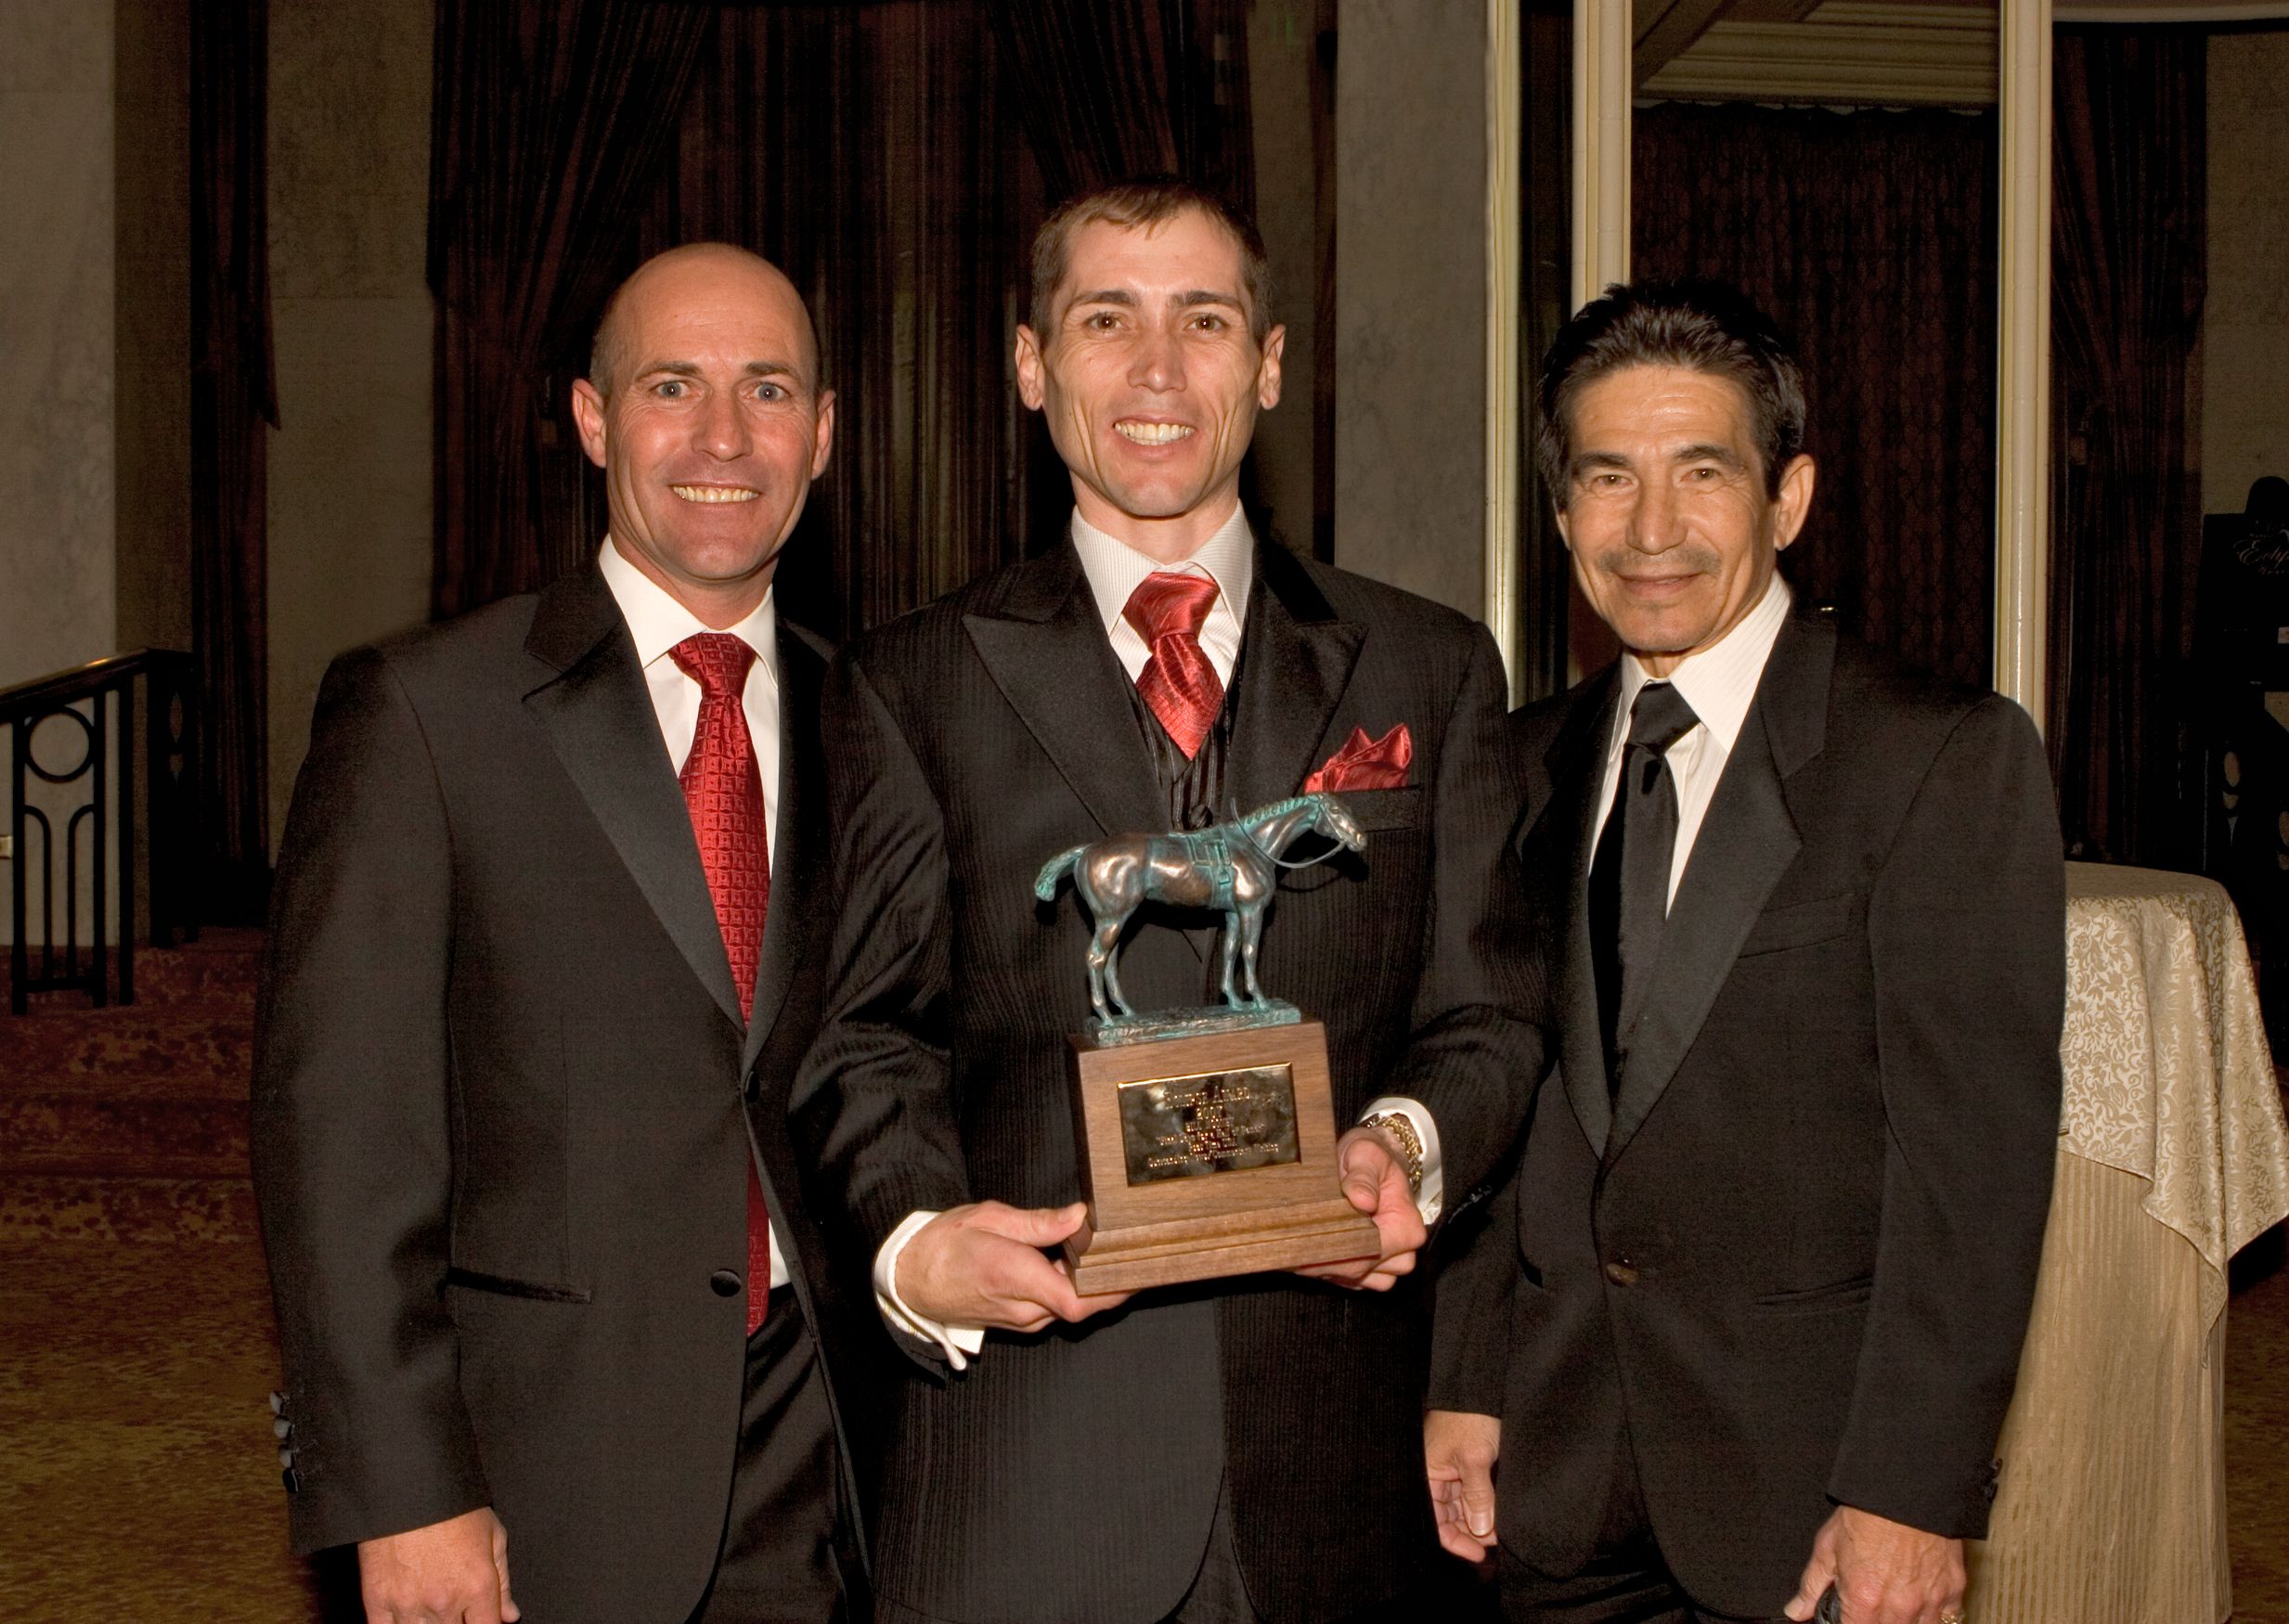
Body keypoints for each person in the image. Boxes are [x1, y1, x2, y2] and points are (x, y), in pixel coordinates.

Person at [795, 178, 1534, 1624]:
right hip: (1019, 1476)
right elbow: (859, 1037)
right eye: (1103, 320)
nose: (1154, 370)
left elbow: (1491, 1012)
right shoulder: (905, 682)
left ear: (1265, 364)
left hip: (1334, 1488)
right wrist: (914, 1245)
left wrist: (1400, 1143)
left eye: (1202, 321)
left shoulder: (1429, 669)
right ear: (1028, 365)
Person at [1422, 280, 2064, 1624]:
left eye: (1699, 474)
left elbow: (1972, 1172)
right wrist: (1466, 1374)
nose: (1649, 530)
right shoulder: (1521, 761)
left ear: (1788, 499)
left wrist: (1909, 1488)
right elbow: (1503, 1087)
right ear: (1560, 515)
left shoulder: (1935, 755)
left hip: (1808, 1497)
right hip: (1552, 1475)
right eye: (1607, 478)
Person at [252, 243, 864, 1624]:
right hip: (541, 1474)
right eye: (671, 386)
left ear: (822, 435)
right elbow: (340, 1132)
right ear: (592, 419)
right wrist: (401, 1487)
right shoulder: (424, 712)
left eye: (768, 390)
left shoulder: (873, 717)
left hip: (832, 1465)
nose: (721, 436)